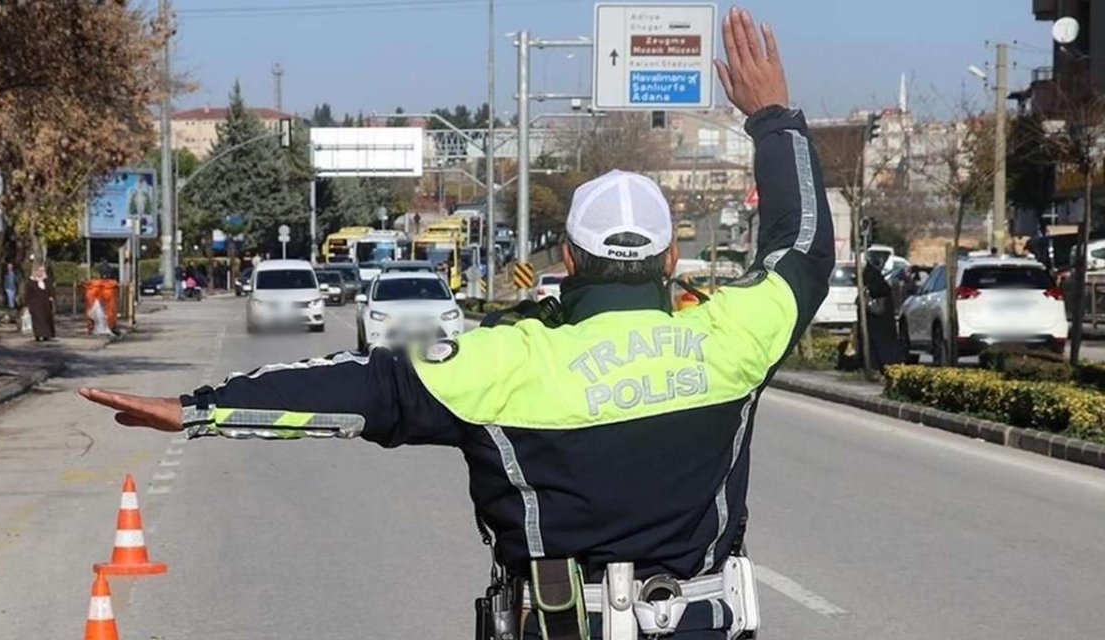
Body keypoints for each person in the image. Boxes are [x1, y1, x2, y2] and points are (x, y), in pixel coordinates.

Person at [80, 10, 832, 640]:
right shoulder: (733, 335)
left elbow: (361, 390)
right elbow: (800, 246)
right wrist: (772, 119)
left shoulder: (505, 361)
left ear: (568, 255)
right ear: (672, 258)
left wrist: (199, 409)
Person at [23, 264, 56, 341]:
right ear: (36, 272)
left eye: (42, 271)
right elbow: (28, 293)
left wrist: (51, 297)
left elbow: (51, 290)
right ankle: (38, 334)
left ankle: (46, 335)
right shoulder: (31, 281)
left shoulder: (47, 280)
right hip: (35, 304)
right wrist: (27, 304)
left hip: (45, 304)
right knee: (37, 319)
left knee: (45, 319)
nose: (41, 272)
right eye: (39, 271)